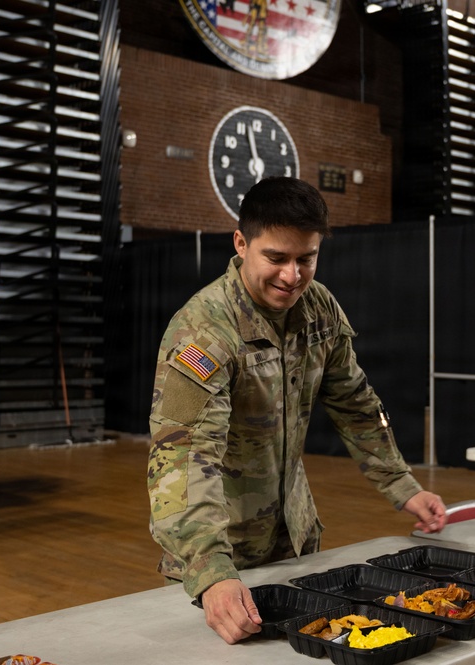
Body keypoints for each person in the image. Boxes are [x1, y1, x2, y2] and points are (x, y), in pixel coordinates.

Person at [147, 177, 447, 644]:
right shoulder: (203, 331)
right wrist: (210, 570)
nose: (292, 276)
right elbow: (182, 458)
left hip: (296, 541)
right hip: (216, 557)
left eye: (305, 258)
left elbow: (356, 403)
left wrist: (402, 485)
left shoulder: (319, 309)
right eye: (276, 258)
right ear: (242, 243)